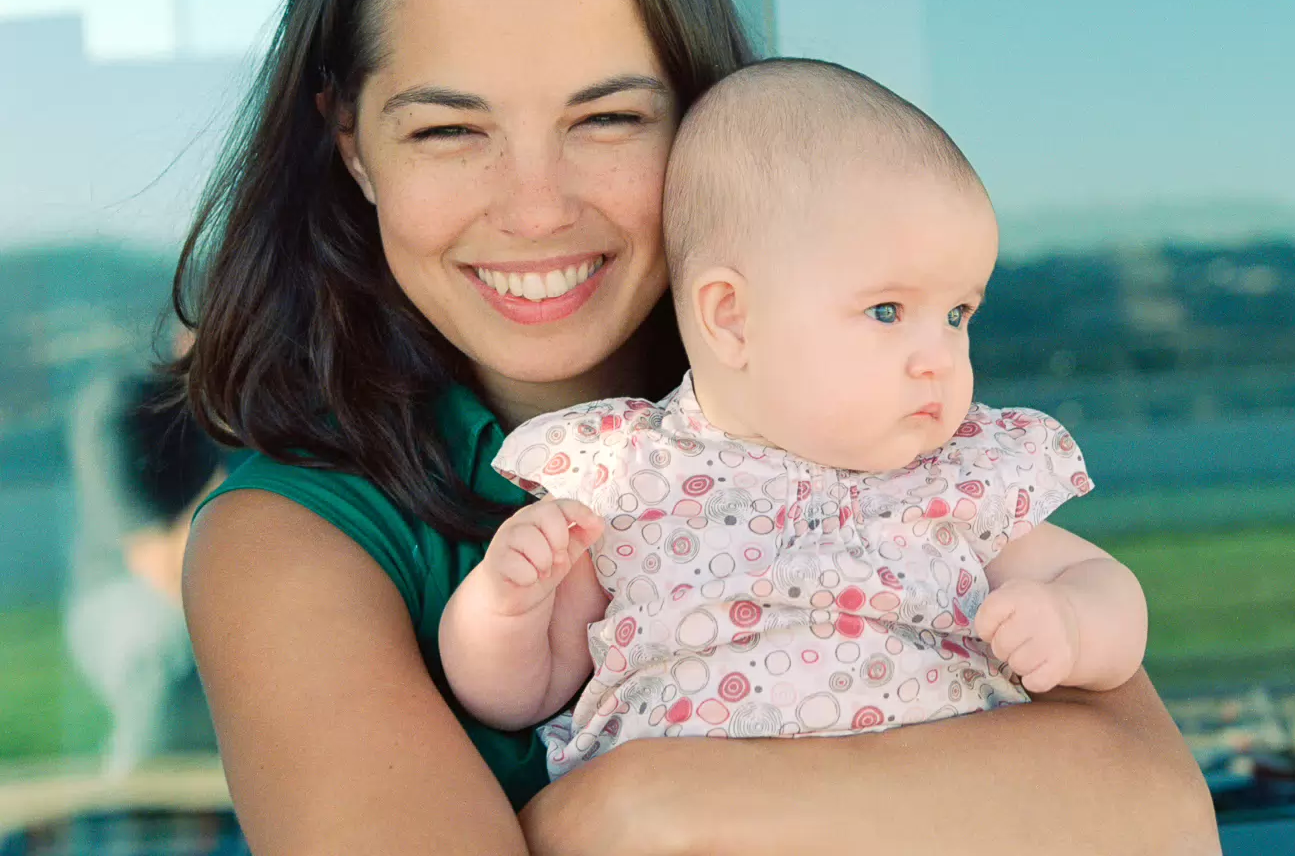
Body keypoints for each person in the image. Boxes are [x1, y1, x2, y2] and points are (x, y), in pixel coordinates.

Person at [178, 0, 1218, 854]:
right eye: (449, 130)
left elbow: (1163, 814)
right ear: (353, 144)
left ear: (703, 118)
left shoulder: (863, 405)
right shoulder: (294, 539)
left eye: (609, 117)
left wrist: (643, 807)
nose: (535, 210)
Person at [441, 59, 1151, 782]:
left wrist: (1071, 624)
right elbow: (519, 693)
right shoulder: (632, 479)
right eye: (887, 310)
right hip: (701, 819)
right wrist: (506, 606)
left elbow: (1100, 580)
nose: (939, 358)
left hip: (932, 810)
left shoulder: (955, 479)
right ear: (732, 317)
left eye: (957, 314)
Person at [66, 366, 224, 774]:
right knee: (168, 647)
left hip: (235, 599)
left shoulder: (284, 413)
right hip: (125, 596)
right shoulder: (121, 407)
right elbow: (165, 569)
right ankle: (139, 802)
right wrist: (238, 466)